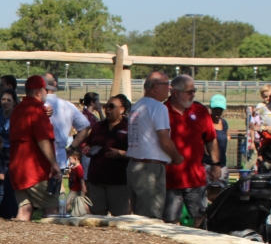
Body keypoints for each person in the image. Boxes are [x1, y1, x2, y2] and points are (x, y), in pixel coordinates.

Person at [162, 75, 219, 227]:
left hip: (195, 178)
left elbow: (211, 139)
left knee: (200, 218)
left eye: (194, 90)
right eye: (189, 91)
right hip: (170, 178)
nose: (193, 94)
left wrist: (216, 164)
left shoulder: (200, 110)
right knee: (171, 221)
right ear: (175, 93)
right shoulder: (162, 110)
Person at [126, 72, 184, 218]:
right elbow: (164, 140)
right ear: (156, 87)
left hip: (135, 165)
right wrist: (177, 158)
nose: (170, 88)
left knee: (138, 214)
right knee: (150, 217)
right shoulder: (158, 107)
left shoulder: (137, 106)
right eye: (167, 84)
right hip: (150, 168)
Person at [9, 75, 60, 221]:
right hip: (35, 171)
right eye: (45, 90)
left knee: (24, 210)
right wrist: (54, 164)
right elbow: (43, 139)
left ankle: (17, 242)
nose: (47, 93)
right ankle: (51, 242)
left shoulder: (17, 110)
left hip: (17, 170)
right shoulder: (37, 110)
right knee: (52, 210)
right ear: (38, 92)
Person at [71, 95, 131, 216]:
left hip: (119, 182)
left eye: (111, 106)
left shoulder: (129, 127)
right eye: (105, 106)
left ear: (122, 109)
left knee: (120, 219)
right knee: (98, 219)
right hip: (97, 181)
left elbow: (137, 152)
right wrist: (87, 149)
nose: (107, 109)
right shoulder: (98, 126)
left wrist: (121, 154)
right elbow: (88, 144)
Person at [43, 73, 89, 174]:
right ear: (54, 85)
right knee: (55, 189)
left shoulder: (37, 105)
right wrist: (72, 147)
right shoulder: (68, 106)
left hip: (39, 160)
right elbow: (85, 127)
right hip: (60, 158)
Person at [0, 89, 20, 220]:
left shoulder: (16, 115)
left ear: (14, 102)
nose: (5, 103)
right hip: (0, 152)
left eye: (9, 100)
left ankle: (12, 212)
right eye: (3, 99)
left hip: (12, 152)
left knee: (10, 182)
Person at [204, 94, 228, 182]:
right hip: (208, 165)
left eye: (220, 109)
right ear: (211, 107)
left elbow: (226, 136)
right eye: (215, 108)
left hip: (222, 165)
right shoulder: (205, 123)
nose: (218, 111)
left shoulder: (224, 123)